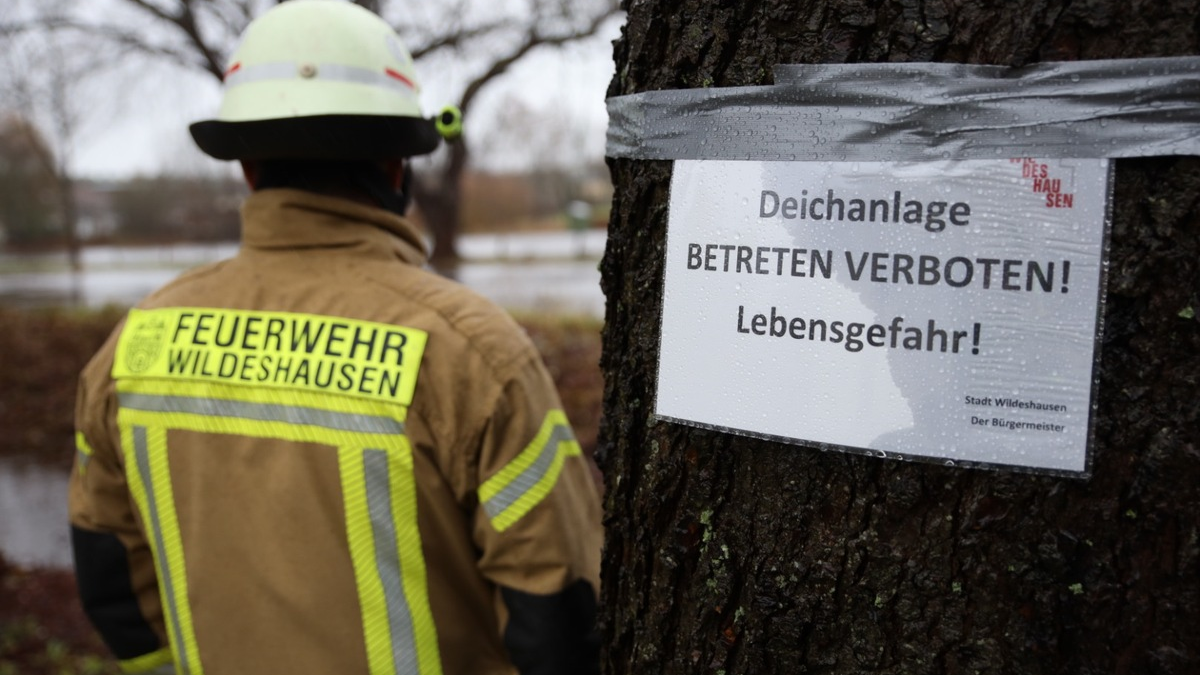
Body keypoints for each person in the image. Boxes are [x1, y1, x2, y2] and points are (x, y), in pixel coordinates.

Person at [67, 2, 603, 674]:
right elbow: (557, 609)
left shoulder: (131, 346)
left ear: (247, 168)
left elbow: (110, 576)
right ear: (396, 165)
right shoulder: (471, 352)